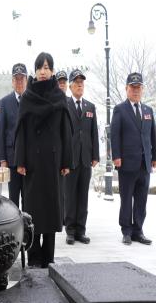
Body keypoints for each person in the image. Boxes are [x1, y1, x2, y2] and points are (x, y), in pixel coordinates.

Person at [15, 52, 73, 268]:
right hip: (32, 163)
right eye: (40, 67)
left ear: (52, 71)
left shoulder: (59, 97)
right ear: (36, 70)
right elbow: (21, 130)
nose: (43, 71)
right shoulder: (28, 96)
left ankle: (49, 257)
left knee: (51, 209)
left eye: (47, 67)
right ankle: (33, 256)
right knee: (33, 210)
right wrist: (20, 160)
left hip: (54, 162)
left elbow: (65, 130)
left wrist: (67, 161)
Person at [111, 72, 156, 246]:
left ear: (142, 89)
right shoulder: (120, 109)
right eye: (133, 88)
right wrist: (116, 156)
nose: (136, 91)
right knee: (126, 198)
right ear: (127, 89)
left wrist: (154, 157)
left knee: (141, 199)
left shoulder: (148, 110)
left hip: (144, 164)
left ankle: (138, 230)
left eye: (138, 88)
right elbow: (115, 135)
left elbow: (153, 135)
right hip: (127, 163)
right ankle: (127, 231)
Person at [64, 69, 99, 245]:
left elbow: (94, 133)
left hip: (85, 158)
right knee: (70, 196)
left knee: (83, 196)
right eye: (76, 82)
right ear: (70, 86)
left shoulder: (90, 107)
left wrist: (95, 156)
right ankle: (70, 230)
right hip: (70, 160)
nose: (80, 85)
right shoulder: (65, 105)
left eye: (82, 82)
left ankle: (81, 230)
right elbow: (62, 134)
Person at [0, 63, 27, 208]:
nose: (19, 82)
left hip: (29, 159)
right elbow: (1, 132)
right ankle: (15, 228)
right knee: (13, 197)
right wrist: (3, 159)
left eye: (22, 79)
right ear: (12, 81)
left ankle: (28, 229)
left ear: (26, 80)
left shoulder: (32, 100)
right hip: (11, 158)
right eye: (16, 79)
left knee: (28, 197)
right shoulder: (5, 102)